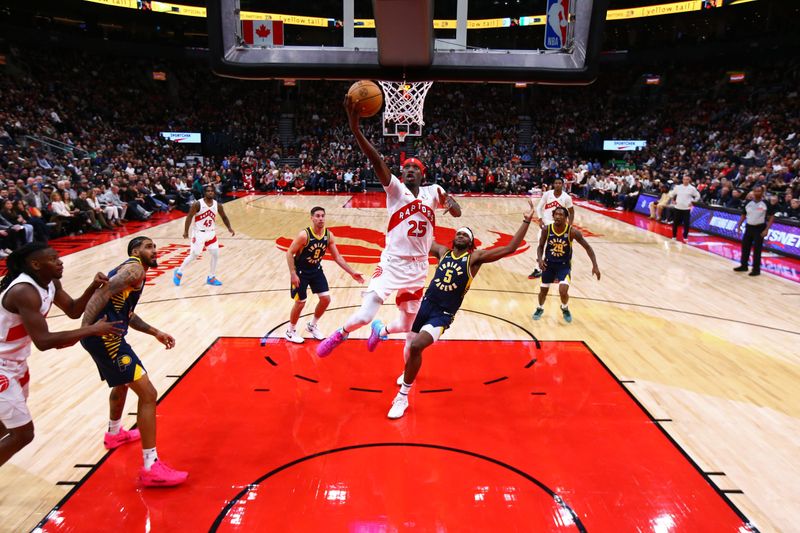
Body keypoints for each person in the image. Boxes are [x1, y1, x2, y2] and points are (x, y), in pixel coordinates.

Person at [316, 94, 462, 358]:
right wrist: (355, 129)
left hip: (418, 266)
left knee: (409, 327)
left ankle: (382, 332)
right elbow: (376, 160)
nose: (408, 170)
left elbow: (457, 211)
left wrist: (451, 203)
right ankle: (340, 333)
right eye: (405, 167)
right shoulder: (395, 190)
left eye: (414, 168)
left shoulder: (434, 191)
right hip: (392, 261)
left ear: (423, 174)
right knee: (365, 314)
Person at [388, 202, 537, 419]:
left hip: (443, 313)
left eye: (465, 235)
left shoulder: (474, 259)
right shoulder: (443, 252)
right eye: (458, 233)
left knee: (418, 345)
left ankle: (402, 397)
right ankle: (407, 371)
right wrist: (414, 213)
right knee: (410, 344)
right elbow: (420, 240)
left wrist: (526, 220)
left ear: (471, 243)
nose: (460, 236)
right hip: (425, 304)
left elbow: (509, 248)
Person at [0, 243, 122, 466]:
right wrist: (92, 330)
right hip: (1, 367)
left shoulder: (50, 283)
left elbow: (74, 310)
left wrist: (92, 287)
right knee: (23, 434)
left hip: (16, 363)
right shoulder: (23, 292)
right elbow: (44, 342)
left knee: (4, 426)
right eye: (53, 259)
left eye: (58, 257)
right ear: (35, 264)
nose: (60, 261)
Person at [81, 237, 187, 486]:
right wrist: (86, 328)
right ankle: (151, 468)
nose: (154, 250)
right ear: (135, 251)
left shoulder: (131, 272)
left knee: (122, 382)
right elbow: (103, 292)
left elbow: (127, 313)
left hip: (106, 336)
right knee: (148, 394)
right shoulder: (135, 268)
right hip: (106, 339)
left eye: (154, 246)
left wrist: (155, 332)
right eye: (148, 247)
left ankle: (114, 433)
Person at [285, 207, 365, 343]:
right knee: (300, 303)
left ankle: (312, 325)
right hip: (301, 272)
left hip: (316, 270)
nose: (321, 218)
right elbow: (289, 253)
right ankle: (290, 331)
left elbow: (337, 257)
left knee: (326, 299)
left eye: (323, 216)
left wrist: (352, 272)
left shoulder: (328, 235)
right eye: (317, 216)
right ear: (312, 218)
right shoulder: (304, 235)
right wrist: (293, 273)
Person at [532, 206, 601, 322]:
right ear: (553, 216)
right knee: (543, 291)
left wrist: (595, 265)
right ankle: (540, 308)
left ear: (566, 218)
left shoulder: (572, 232)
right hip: (548, 265)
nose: (558, 216)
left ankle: (564, 308)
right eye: (556, 214)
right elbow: (540, 247)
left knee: (563, 291)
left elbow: (588, 247)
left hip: (563, 266)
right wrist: (540, 259)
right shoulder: (546, 230)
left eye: (561, 215)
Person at [173, 184, 235, 287]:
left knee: (215, 255)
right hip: (199, 234)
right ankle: (179, 272)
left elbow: (224, 217)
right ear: (204, 193)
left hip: (211, 233)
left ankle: (211, 277)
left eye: (212, 191)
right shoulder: (197, 204)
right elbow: (189, 217)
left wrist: (229, 228)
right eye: (208, 191)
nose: (210, 192)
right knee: (195, 255)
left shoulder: (217, 205)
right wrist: (185, 231)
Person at [528, 177, 574, 279]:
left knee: (559, 249)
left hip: (560, 226)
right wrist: (540, 220)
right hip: (546, 224)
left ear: (562, 185)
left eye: (559, 183)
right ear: (553, 184)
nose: (557, 185)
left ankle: (561, 271)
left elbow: (571, 212)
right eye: (556, 183)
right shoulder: (547, 194)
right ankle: (537, 269)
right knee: (541, 246)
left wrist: (569, 226)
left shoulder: (566, 197)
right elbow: (539, 207)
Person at [733, 185, 776, 277]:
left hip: (759, 228)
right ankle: (744, 265)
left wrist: (766, 229)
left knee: (757, 249)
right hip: (749, 227)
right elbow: (744, 214)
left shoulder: (766, 203)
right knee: (745, 247)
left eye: (759, 191)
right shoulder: (748, 203)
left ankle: (756, 269)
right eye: (755, 191)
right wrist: (739, 224)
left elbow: (772, 216)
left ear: (762, 192)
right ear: (753, 191)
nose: (757, 193)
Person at [668, 175, 700, 241]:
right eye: (684, 179)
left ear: (689, 180)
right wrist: (673, 200)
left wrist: (693, 202)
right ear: (682, 180)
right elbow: (671, 194)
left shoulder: (692, 188)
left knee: (686, 224)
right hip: (677, 207)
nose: (685, 181)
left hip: (686, 209)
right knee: (675, 223)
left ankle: (685, 236)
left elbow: (698, 196)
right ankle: (674, 236)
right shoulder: (678, 187)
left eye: (687, 179)